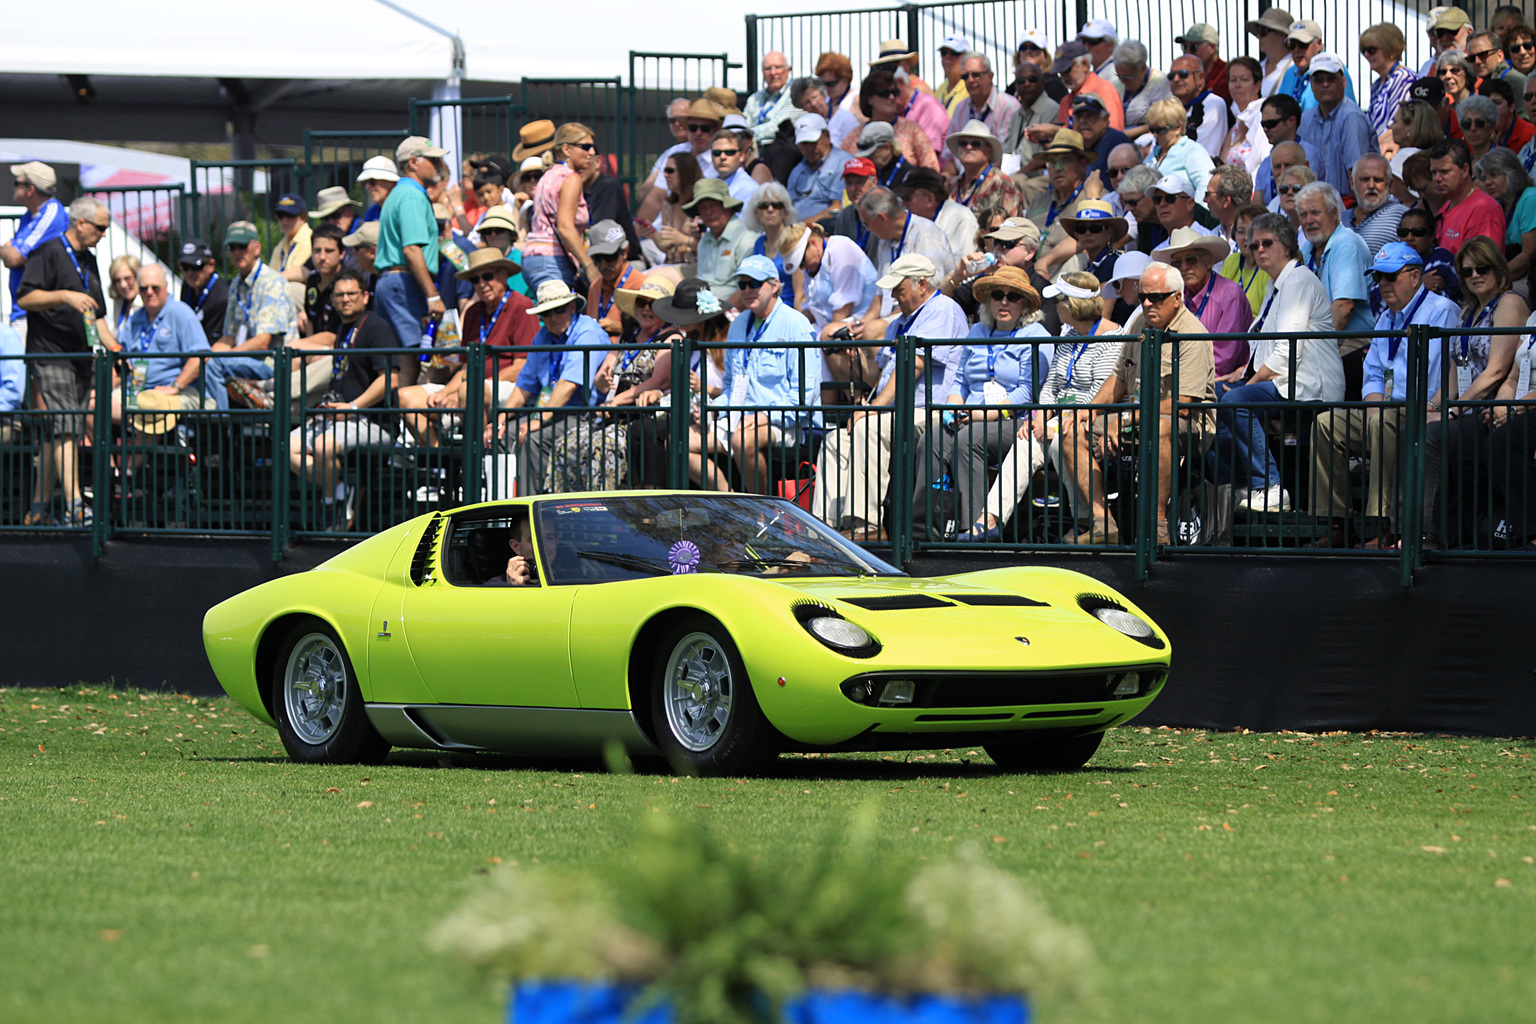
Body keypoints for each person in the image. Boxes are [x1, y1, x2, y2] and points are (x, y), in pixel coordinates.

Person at [1310, 242, 1459, 547]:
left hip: (1422, 406)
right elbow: (1374, 373)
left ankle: (1386, 526)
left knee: (1382, 424)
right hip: (1386, 409)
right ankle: (1337, 522)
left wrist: (1424, 407)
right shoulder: (1386, 318)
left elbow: (1452, 369)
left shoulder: (1443, 311)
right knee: (1326, 423)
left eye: (1391, 276)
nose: (1383, 284)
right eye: (1379, 277)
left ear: (1415, 277)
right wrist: (1373, 407)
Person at [811, 254, 966, 541]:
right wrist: (856, 356)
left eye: (899, 288)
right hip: (895, 413)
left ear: (921, 283)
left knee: (867, 427)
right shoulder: (898, 323)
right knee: (834, 441)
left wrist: (873, 408)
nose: (893, 295)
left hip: (931, 411)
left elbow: (913, 366)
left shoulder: (942, 309)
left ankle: (866, 524)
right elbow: (878, 377)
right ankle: (823, 530)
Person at [961, 269, 1121, 541]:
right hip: (1059, 418)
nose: (1055, 307)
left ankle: (1084, 522)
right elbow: (1051, 386)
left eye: (1059, 301)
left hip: (1089, 420)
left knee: (1061, 440)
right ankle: (990, 520)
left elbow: (1099, 395)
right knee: (1024, 440)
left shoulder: (1111, 339)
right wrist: (1039, 417)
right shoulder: (1068, 334)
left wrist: (1056, 423)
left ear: (1072, 306)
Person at [1068, 260, 1216, 545]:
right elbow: (1119, 378)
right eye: (1143, 296)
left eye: (1156, 297)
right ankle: (1103, 523)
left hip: (1189, 426)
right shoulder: (1139, 322)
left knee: (1160, 428)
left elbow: (1184, 404)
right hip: (1138, 415)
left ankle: (1158, 527)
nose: (1147, 303)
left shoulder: (1193, 333)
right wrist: (1089, 410)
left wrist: (1125, 418)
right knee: (1073, 432)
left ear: (1176, 298)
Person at [1214, 211, 1344, 513]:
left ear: (1286, 245)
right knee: (1216, 395)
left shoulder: (1298, 280)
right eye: (1254, 245)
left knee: (1237, 400)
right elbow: (1265, 346)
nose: (1259, 250)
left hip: (1309, 382)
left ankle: (1269, 486)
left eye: (1267, 243)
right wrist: (1240, 375)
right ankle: (1238, 482)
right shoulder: (1277, 285)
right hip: (1285, 379)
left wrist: (1250, 382)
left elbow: (1288, 348)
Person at [931, 265, 1053, 537]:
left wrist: (977, 415)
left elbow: (1028, 392)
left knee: (969, 439)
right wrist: (953, 408)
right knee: (933, 438)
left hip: (1015, 420)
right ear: (989, 300)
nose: (1004, 302)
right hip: (969, 415)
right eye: (998, 295)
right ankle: (930, 523)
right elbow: (960, 380)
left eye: (1013, 296)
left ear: (1025, 304)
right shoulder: (976, 331)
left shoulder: (1036, 336)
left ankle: (975, 527)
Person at [16, 196, 115, 527]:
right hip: (51, 353)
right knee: (67, 428)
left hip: (81, 358)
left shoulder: (90, 260)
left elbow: (96, 314)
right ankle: (74, 507)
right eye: (100, 227)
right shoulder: (48, 252)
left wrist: (116, 350)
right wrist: (63, 295)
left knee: (54, 434)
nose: (104, 234)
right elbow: (26, 297)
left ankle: (36, 511)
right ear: (81, 223)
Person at [1426, 238, 1527, 546]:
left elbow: (1496, 370)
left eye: (1482, 268)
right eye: (1467, 271)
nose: (1474, 276)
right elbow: (1457, 369)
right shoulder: (1467, 310)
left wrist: (1455, 408)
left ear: (1497, 268)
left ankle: (1438, 531)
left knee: (1443, 435)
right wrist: (1434, 404)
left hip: (1496, 405)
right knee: (1413, 429)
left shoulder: (1509, 303)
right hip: (1468, 405)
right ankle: (1405, 526)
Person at [288, 269, 399, 531]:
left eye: (351, 294)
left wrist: (353, 406)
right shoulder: (343, 328)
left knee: (324, 445)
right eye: (339, 295)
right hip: (340, 416)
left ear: (365, 296)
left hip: (375, 421)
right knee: (288, 446)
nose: (345, 299)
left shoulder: (377, 328)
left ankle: (332, 505)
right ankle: (339, 486)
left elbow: (389, 380)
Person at [398, 247, 535, 448]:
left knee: (472, 390)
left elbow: (522, 367)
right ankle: (441, 462)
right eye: (475, 280)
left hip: (511, 386)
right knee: (407, 398)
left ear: (504, 275)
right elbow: (465, 368)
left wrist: (468, 388)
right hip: (472, 385)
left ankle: (477, 461)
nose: (481, 284)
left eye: (487, 276)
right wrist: (447, 394)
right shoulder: (472, 312)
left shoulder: (521, 305)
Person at [489, 280, 606, 496]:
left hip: (584, 414)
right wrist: (501, 419)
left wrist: (539, 419)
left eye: (558, 310)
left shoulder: (587, 332)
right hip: (553, 410)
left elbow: (568, 385)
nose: (552, 318)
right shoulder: (542, 336)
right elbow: (524, 385)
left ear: (572, 307)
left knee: (534, 438)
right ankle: (501, 510)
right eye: (546, 313)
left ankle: (532, 512)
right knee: (501, 435)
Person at [718, 255, 821, 494]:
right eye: (742, 284)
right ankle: (728, 500)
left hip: (791, 422)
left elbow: (804, 394)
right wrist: (710, 409)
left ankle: (761, 511)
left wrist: (766, 415)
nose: (747, 290)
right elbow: (730, 387)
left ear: (774, 285)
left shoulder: (796, 324)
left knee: (743, 441)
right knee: (684, 439)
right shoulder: (737, 324)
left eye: (754, 283)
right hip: (741, 416)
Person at [203, 221, 299, 411]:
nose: (237, 252)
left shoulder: (272, 282)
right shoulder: (236, 284)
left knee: (215, 366)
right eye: (232, 247)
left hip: (274, 363)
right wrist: (206, 356)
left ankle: (221, 429)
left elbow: (262, 342)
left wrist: (222, 358)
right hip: (246, 359)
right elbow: (228, 337)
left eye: (242, 246)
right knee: (201, 364)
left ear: (257, 248)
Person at [374, 136, 449, 368]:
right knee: (414, 359)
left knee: (402, 360)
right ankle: (409, 404)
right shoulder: (412, 195)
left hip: (391, 281)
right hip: (404, 283)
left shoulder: (398, 193)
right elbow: (411, 248)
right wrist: (432, 295)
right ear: (414, 162)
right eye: (433, 159)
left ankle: (403, 403)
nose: (438, 165)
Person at [1297, 181, 1374, 395]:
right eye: (1303, 215)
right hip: (1321, 342)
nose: (1309, 221)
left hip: (1351, 342)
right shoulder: (1307, 249)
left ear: (1334, 213)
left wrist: (1315, 353)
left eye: (1315, 213)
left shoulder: (1347, 244)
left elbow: (1343, 310)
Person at [856, 187, 957, 334]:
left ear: (882, 218)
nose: (868, 230)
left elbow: (928, 294)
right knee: (836, 332)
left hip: (923, 315)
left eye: (867, 224)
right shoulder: (884, 238)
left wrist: (876, 323)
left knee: (872, 331)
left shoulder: (925, 234)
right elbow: (880, 294)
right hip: (895, 314)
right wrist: (864, 322)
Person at [1153, 227, 1251, 377]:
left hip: (1221, 381)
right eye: (1177, 263)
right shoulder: (1177, 295)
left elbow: (1224, 360)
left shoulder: (1230, 295)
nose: (1184, 267)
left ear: (1208, 261)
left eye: (1191, 260)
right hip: (1181, 375)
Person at [522, 123, 599, 295]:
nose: (592, 153)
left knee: (553, 317)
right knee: (561, 320)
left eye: (593, 147)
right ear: (566, 149)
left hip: (532, 258)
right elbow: (565, 227)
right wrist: (589, 265)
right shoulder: (571, 178)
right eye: (585, 147)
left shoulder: (549, 175)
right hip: (552, 260)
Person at [778, 222, 879, 341]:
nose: (802, 267)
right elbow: (812, 309)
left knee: (828, 334)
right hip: (829, 329)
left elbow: (843, 309)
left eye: (802, 261)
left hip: (859, 327)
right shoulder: (811, 266)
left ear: (813, 243)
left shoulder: (840, 248)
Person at [1299, 52, 1378, 199]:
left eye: (1331, 79)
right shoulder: (1306, 119)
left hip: (1348, 204)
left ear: (1343, 81)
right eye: (1319, 80)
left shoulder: (1351, 117)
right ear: (1311, 84)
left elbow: (1358, 175)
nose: (1325, 84)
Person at [2, 161, 67, 338]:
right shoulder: (29, 216)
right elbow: (13, 256)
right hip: (23, 311)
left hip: (36, 314)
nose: (15, 187)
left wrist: (6, 249)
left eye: (18, 183)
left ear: (30, 189)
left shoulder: (51, 214)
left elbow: (13, 257)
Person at [840, 70, 939, 171]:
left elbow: (931, 167)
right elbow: (840, 170)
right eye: (884, 93)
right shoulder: (854, 137)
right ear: (869, 98)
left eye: (895, 92)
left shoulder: (912, 130)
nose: (891, 97)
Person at [1432, 139, 1507, 255]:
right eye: (1433, 173)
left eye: (1444, 171)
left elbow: (1483, 266)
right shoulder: (1447, 205)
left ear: (1465, 170)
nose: (1437, 178)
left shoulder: (1484, 210)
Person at [688, 178, 758, 301]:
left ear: (728, 206)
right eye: (703, 207)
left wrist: (722, 316)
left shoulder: (747, 239)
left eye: (714, 205)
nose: (709, 212)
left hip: (729, 312)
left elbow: (748, 290)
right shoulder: (704, 242)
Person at [1473, 148, 1536, 282]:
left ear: (1512, 174)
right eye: (1485, 178)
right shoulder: (1497, 204)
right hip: (1508, 273)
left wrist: (1495, 279)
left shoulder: (1530, 198)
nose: (1488, 182)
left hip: (1529, 276)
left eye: (1494, 175)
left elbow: (1528, 255)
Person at [896, 168, 977, 269]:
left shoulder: (960, 219)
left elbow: (960, 270)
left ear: (930, 199)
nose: (904, 204)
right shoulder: (916, 220)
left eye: (907, 198)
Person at [1143, 97, 1215, 202]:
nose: (1155, 135)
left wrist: (1197, 215)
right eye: (1152, 130)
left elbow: (1206, 185)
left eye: (1160, 130)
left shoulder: (1192, 151)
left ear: (1178, 127)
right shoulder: (1153, 155)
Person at [1252, 95, 1321, 203]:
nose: (1265, 129)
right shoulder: (1265, 164)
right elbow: (1257, 206)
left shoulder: (1309, 154)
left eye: (1271, 124)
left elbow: (1311, 195)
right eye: (1263, 124)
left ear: (1291, 121)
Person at [948, 120, 1022, 218]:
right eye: (963, 143)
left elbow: (1007, 228)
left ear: (989, 150)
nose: (968, 147)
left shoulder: (1001, 184)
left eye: (976, 143)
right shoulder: (953, 185)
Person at [786, 114, 853, 223]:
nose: (809, 148)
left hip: (824, 229)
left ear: (827, 136)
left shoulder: (843, 163)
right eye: (804, 144)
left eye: (813, 142)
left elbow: (838, 207)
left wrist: (803, 226)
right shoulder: (797, 170)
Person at [1279, 20, 1357, 111]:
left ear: (1319, 44)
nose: (1296, 50)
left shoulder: (1334, 69)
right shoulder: (1289, 73)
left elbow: (1347, 110)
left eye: (1302, 44)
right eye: (1292, 45)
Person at [1361, 23, 1417, 151]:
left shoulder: (1403, 77)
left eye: (1371, 50)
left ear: (1391, 50)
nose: (1366, 55)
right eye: (1363, 50)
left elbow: (1394, 127)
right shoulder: (1377, 84)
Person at [947, 52, 1022, 144]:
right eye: (965, 76)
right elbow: (949, 153)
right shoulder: (960, 108)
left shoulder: (1009, 107)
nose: (970, 80)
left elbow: (1010, 151)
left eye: (976, 75)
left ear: (990, 76)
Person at [1052, 41, 1125, 132]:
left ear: (1084, 65)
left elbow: (1112, 135)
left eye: (1067, 70)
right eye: (1060, 72)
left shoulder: (1104, 90)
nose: (1063, 76)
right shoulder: (1065, 101)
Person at [1002, 58, 1061, 165]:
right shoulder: (1016, 114)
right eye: (1021, 80)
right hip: (1014, 171)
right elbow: (1008, 152)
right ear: (1016, 86)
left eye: (1032, 79)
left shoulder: (1051, 109)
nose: (1026, 84)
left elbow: (1045, 158)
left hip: (1039, 173)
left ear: (1042, 83)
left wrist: (1016, 175)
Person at [1169, 55, 1228, 160]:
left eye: (1183, 74)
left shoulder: (1213, 104)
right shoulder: (1170, 107)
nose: (1176, 79)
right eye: (1171, 75)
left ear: (1200, 78)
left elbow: (1205, 153)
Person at [1218, 202, 1271, 315]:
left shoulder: (1269, 267)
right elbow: (1218, 301)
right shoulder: (1232, 260)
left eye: (1251, 232)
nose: (1246, 237)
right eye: (1241, 232)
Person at [1056, 199, 1126, 284]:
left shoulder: (1111, 263)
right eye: (1081, 229)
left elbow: (1105, 297)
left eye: (1095, 228)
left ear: (1109, 232)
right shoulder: (1090, 265)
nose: (1088, 233)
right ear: (1077, 234)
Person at [1350, 155, 1406, 258]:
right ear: (1352, 183)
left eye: (1378, 180)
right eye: (1365, 179)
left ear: (1390, 184)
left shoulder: (1402, 216)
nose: (1371, 186)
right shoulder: (1338, 219)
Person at [1113, 39, 1173, 137]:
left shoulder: (1160, 83)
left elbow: (1160, 122)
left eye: (1126, 77)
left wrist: (1124, 135)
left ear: (1143, 69)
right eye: (1118, 75)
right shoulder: (1117, 84)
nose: (1121, 81)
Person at [1223, 57, 1271, 175]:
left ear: (1257, 85)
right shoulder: (1235, 125)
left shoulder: (1264, 118)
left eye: (1244, 79)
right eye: (1233, 80)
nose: (1237, 85)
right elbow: (1223, 164)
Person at [176, 240, 228, 346]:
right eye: (185, 267)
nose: (190, 273)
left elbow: (212, 345)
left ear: (211, 265)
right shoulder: (187, 286)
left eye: (196, 267)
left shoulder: (221, 297)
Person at [300, 224, 347, 340]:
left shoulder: (347, 283)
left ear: (342, 253)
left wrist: (307, 344)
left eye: (329, 251)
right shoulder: (312, 280)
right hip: (315, 346)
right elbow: (310, 320)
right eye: (317, 251)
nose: (322, 257)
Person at [1467, 30, 1528, 118]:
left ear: (1499, 56)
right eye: (1472, 58)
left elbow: (1526, 125)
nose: (1477, 62)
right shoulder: (1481, 85)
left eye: (1483, 55)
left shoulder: (1516, 82)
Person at [745, 52, 797, 148]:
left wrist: (746, 135)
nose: (773, 73)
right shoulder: (754, 98)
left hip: (781, 150)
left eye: (778, 67)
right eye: (768, 69)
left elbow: (777, 127)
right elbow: (744, 124)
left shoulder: (795, 95)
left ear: (788, 70)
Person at [1246, 7, 1296, 97]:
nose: (1258, 36)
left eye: (1263, 31)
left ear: (1282, 34)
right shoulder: (1257, 67)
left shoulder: (1294, 68)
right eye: (1257, 31)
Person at [1177, 22, 1230, 103]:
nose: (1187, 52)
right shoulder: (1184, 76)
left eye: (1193, 47)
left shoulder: (1228, 75)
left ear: (1212, 47)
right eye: (1184, 46)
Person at [1204, 165, 1255, 248]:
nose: (1204, 199)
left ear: (1226, 200)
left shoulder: (1256, 237)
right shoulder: (1212, 237)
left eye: (1208, 194)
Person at [1481, 78, 1535, 155]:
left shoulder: (1529, 136)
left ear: (1511, 107)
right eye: (1486, 105)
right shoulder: (1484, 133)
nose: (1490, 109)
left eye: (1497, 103)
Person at [709, 128, 760, 205]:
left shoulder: (748, 189)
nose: (722, 157)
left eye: (730, 152)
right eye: (717, 152)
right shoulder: (711, 183)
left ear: (741, 156)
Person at [270, 193, 313, 285]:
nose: (285, 220)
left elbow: (300, 275)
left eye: (290, 215)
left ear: (303, 217)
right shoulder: (281, 245)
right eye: (280, 215)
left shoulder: (309, 240)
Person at [106, 255, 143, 343]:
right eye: (117, 281)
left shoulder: (146, 304)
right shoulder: (119, 303)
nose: (123, 285)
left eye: (127, 278)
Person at [936, 35, 973, 117]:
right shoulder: (941, 88)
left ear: (967, 57)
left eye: (955, 53)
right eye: (944, 53)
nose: (947, 57)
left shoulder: (971, 88)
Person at [1458, 94, 1499, 165]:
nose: (1472, 128)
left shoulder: (1501, 160)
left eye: (1479, 123)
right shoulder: (1467, 162)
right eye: (1467, 123)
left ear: (1492, 127)